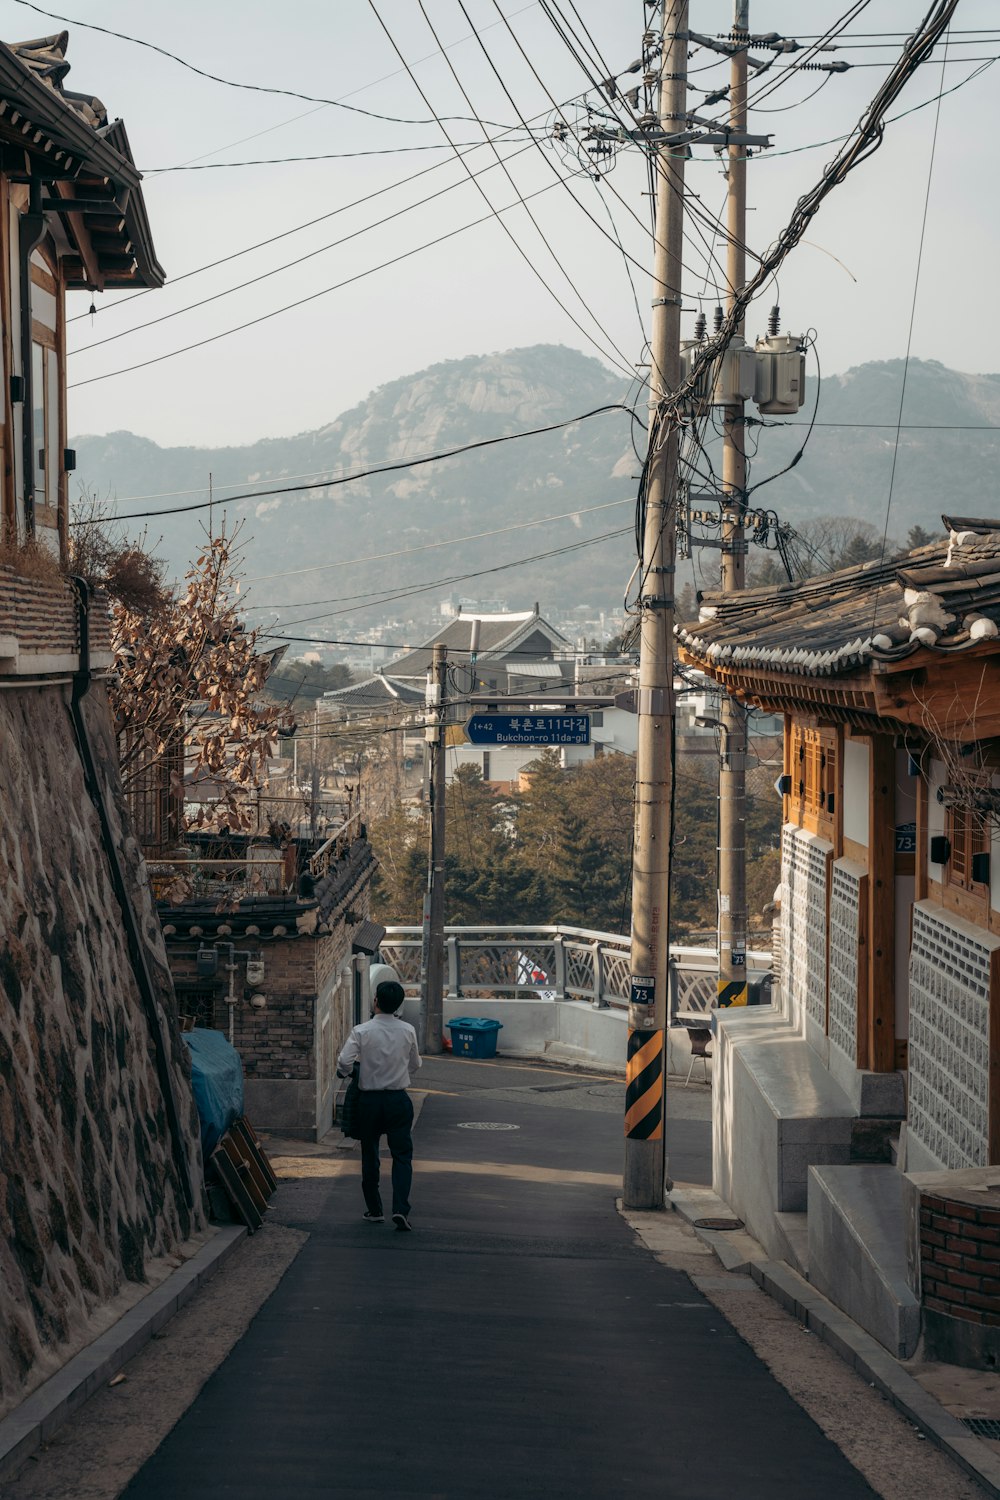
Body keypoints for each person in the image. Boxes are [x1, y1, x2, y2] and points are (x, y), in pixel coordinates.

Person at [336, 979, 421, 1231]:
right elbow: (416, 1064)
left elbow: (343, 1061)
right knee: (402, 1156)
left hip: (369, 1100)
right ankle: (400, 1209)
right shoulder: (407, 1030)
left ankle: (374, 1209)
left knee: (370, 1153)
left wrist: (355, 1073)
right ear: (398, 1005)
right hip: (397, 1099)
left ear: (375, 1001)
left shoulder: (361, 1030)